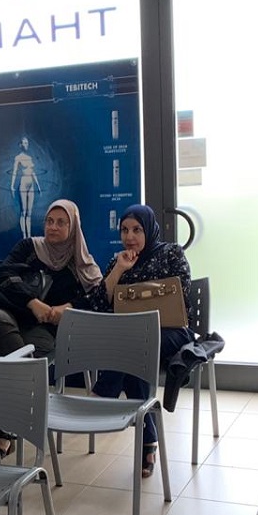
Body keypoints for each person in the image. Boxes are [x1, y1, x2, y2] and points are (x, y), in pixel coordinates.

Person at [0, 198, 102, 461]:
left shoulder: (81, 262)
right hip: (15, 317)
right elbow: (5, 276)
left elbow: (98, 297)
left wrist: (68, 308)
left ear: (73, 226)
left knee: (10, 360)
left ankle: (5, 430)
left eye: (61, 222)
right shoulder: (30, 247)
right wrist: (33, 302)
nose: (53, 227)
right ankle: (21, 405)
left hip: (48, 332)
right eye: (49, 221)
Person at [86, 204, 194, 479]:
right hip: (132, 339)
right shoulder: (118, 261)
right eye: (124, 230)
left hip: (172, 331)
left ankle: (102, 395)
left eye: (136, 230)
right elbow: (100, 304)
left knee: (132, 346)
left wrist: (140, 296)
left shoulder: (171, 252)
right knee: (134, 354)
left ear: (149, 229)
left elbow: (182, 293)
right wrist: (119, 271)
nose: (129, 236)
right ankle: (149, 441)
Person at [9, 136, 40, 238]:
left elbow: (33, 172)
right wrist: (12, 186)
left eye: (27, 143)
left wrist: (38, 185)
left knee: (29, 212)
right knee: (24, 211)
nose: (26, 145)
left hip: (31, 185)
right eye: (24, 143)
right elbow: (14, 172)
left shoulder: (30, 158)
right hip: (23, 184)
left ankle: (29, 236)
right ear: (20, 145)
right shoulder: (18, 158)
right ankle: (24, 236)